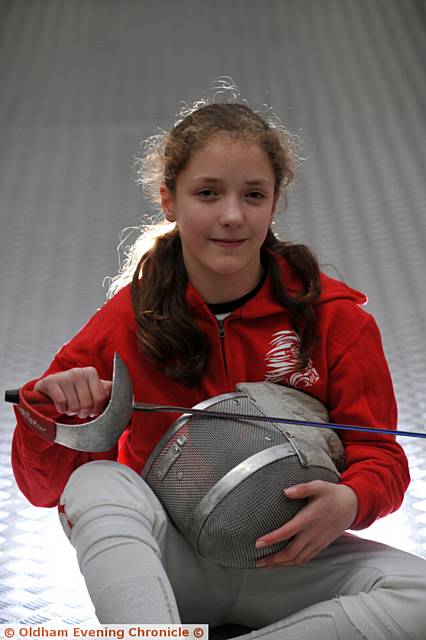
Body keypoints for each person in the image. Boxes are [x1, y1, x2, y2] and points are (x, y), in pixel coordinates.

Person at [11, 92, 426, 640]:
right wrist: (55, 413)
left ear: (274, 202)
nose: (232, 216)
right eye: (208, 193)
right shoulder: (125, 323)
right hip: (172, 568)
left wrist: (349, 501)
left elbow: (381, 457)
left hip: (290, 560)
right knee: (95, 482)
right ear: (169, 200)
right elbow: (48, 491)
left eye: (253, 195)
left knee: (418, 597)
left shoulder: (334, 320)